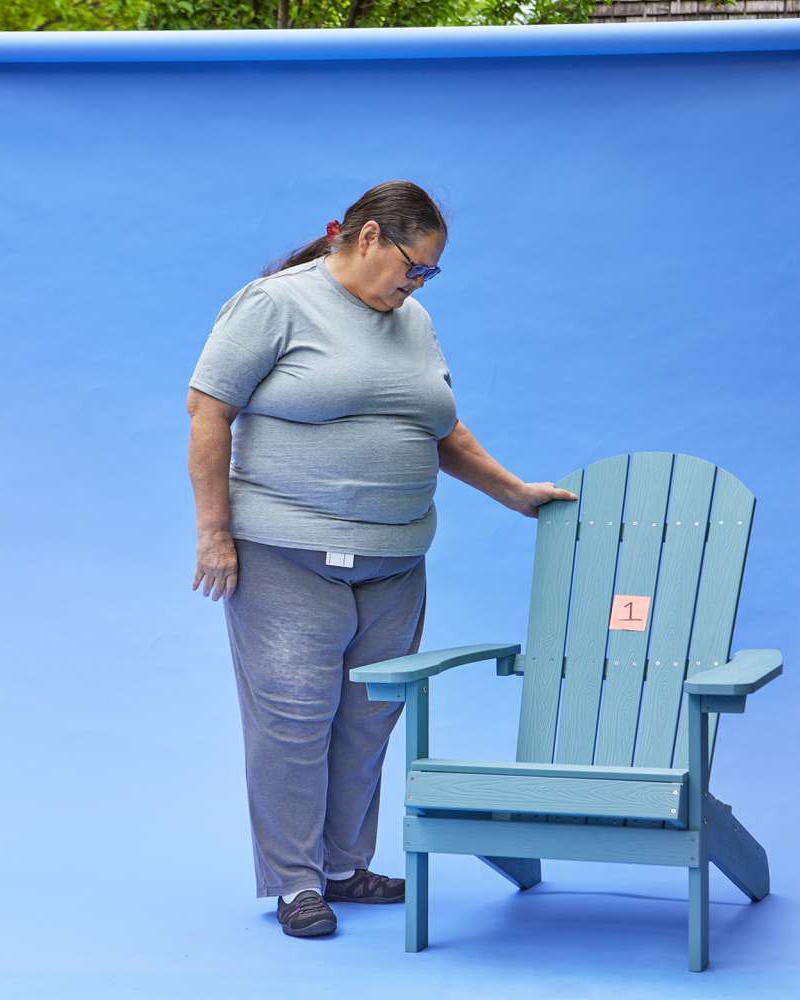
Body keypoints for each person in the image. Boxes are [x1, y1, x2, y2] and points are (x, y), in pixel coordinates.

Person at [185, 179, 577, 939]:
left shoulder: (414, 320)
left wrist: (511, 492)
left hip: (395, 560)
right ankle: (297, 883)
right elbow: (208, 410)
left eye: (429, 274)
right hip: (285, 551)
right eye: (414, 265)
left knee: (369, 721)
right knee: (295, 719)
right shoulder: (274, 304)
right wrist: (214, 532)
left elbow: (440, 427)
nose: (418, 282)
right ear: (368, 238)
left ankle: (343, 867)